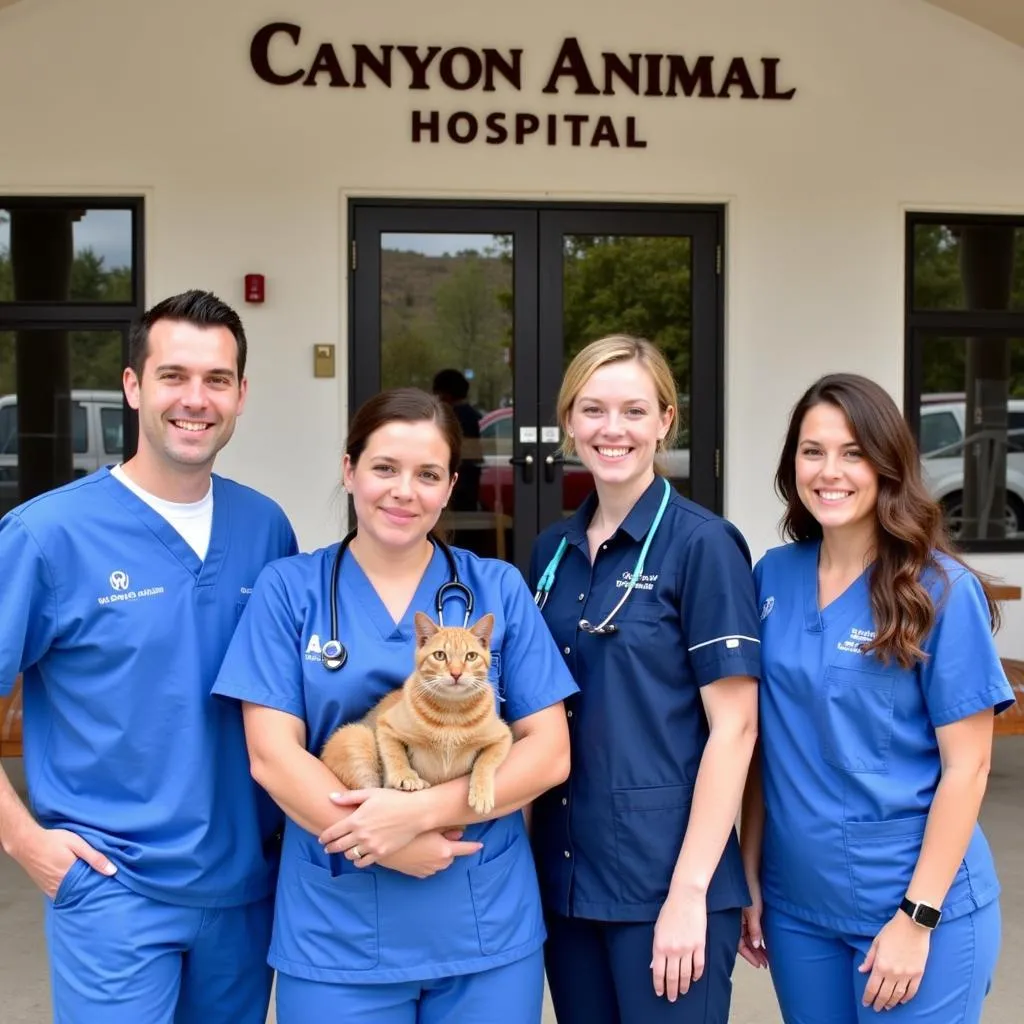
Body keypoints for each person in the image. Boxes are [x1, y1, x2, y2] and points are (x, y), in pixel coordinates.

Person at [211, 386, 577, 1023]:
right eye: (384, 468)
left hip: (480, 924)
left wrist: (416, 817)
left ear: (450, 485)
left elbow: (548, 754)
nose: (404, 491)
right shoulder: (290, 590)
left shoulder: (497, 589)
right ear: (349, 470)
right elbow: (272, 755)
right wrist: (378, 842)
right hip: (338, 928)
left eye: (428, 474)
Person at [0, 289, 298, 1023]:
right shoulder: (48, 536)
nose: (195, 400)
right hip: (113, 894)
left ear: (240, 395)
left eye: (216, 380)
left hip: (242, 893)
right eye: (173, 376)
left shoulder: (266, 529)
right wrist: (27, 843)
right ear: (134, 387)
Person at [739, 373, 1015, 1022]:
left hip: (917, 908)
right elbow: (760, 744)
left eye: (853, 452)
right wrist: (747, 876)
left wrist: (917, 919)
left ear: (888, 465)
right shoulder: (771, 577)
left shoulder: (938, 591)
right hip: (797, 907)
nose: (830, 472)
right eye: (812, 452)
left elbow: (968, 767)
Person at [529, 335, 761, 1024]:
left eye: (634, 410)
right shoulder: (551, 553)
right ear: (569, 421)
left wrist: (689, 892)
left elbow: (736, 726)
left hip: (664, 884)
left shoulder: (704, 545)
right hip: (567, 880)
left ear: (665, 421)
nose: (612, 429)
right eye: (593, 409)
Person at [432, 368, 483, 513]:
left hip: (460, 480)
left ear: (445, 394)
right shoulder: (472, 415)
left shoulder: (452, 418)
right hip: (469, 478)